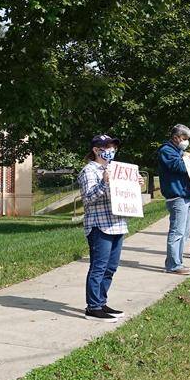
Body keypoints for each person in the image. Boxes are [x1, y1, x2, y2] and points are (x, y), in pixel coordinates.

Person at [77, 135, 128, 320]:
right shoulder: (88, 171)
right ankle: (93, 307)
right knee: (98, 267)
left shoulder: (117, 169)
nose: (111, 150)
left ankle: (101, 301)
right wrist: (104, 182)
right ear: (96, 150)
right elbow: (88, 199)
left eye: (113, 146)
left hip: (117, 224)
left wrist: (134, 186)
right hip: (100, 225)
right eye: (106, 147)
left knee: (111, 267)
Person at [157, 123, 190, 275]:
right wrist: (185, 159)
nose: (185, 141)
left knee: (185, 232)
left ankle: (178, 262)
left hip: (185, 194)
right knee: (177, 232)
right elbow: (180, 167)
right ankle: (173, 264)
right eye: (184, 138)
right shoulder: (166, 151)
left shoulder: (178, 151)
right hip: (176, 196)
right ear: (176, 138)